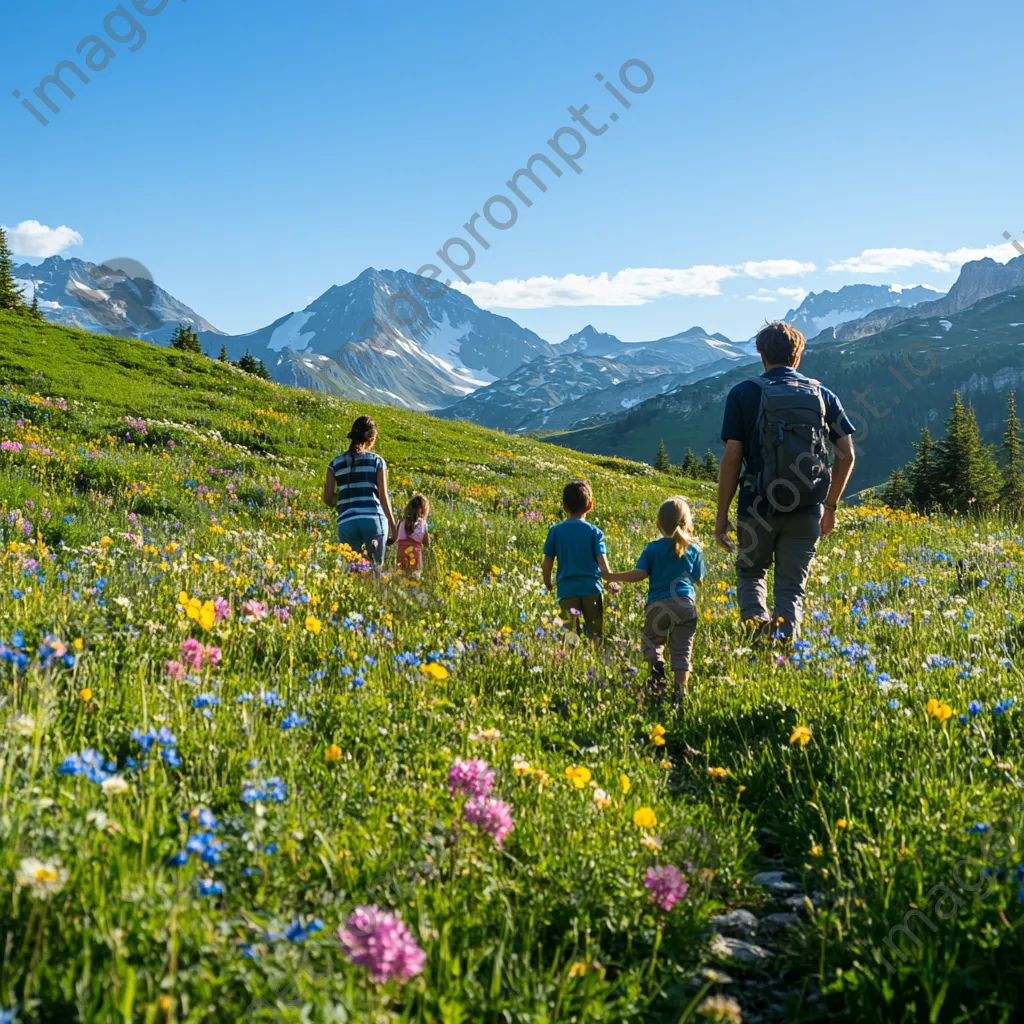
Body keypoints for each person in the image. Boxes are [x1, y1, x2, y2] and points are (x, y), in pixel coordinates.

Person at [714, 322, 856, 640]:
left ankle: (755, 634)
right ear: (798, 356)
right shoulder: (823, 395)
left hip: (757, 506)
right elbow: (846, 456)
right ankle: (782, 652)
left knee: (751, 574)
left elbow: (732, 459)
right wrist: (830, 506)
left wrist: (721, 515)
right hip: (807, 507)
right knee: (790, 590)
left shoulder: (743, 393)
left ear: (762, 355)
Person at [608, 496, 705, 702]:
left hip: (658, 606)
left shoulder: (652, 548)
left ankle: (657, 674)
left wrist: (612, 576)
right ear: (687, 523)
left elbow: (639, 574)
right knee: (682, 651)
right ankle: (680, 694)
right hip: (686, 605)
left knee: (652, 643)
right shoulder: (695, 549)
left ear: (658, 525)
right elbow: (699, 579)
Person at [542, 480, 618, 639]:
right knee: (595, 632)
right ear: (590, 505)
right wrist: (611, 582)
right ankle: (595, 656)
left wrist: (548, 582)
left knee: (570, 633)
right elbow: (603, 566)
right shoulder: (595, 532)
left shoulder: (555, 531)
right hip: (591, 588)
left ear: (564, 505)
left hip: (567, 589)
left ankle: (570, 659)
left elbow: (547, 563)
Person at [322, 415, 398, 567]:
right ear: (371, 439)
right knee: (375, 569)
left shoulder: (335, 463)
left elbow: (327, 499)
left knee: (353, 570)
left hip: (347, 521)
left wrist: (342, 499)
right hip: (374, 520)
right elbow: (383, 497)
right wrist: (393, 526)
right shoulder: (377, 461)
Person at [397, 493, 430, 572]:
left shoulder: (401, 522)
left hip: (401, 554)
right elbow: (427, 544)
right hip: (415, 555)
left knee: (402, 577)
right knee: (415, 578)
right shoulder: (423, 524)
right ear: (424, 509)